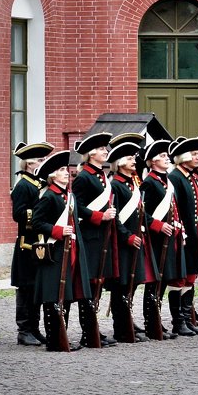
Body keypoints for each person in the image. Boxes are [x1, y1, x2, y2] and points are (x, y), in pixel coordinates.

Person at [31, 150, 83, 352]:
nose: (66, 173)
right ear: (52, 175)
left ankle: (62, 336)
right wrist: (59, 230)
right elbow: (36, 223)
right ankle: (54, 340)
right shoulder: (50, 196)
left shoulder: (68, 196)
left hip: (68, 251)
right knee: (54, 296)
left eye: (66, 169)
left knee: (66, 296)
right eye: (61, 170)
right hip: (54, 251)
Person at [70, 131, 117, 348]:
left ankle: (93, 329)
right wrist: (100, 216)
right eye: (101, 149)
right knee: (90, 283)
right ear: (91, 153)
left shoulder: (100, 176)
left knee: (99, 282)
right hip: (90, 237)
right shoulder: (84, 178)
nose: (105, 151)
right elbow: (76, 207)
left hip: (102, 237)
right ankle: (88, 332)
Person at [168, 136, 198, 334]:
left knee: (191, 276)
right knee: (180, 277)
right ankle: (178, 323)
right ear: (184, 156)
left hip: (196, 233)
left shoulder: (191, 176)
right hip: (184, 233)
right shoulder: (176, 177)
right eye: (195, 154)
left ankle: (187, 319)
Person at [10, 141, 52, 347]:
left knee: (37, 287)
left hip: (41, 242)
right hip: (27, 244)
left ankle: (35, 328)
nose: (42, 163)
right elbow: (18, 214)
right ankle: (24, 330)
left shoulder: (40, 184)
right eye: (40, 159)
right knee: (26, 287)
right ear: (29, 163)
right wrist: (39, 214)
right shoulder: (23, 185)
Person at [140, 139, 182, 339]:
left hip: (169, 238)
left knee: (163, 281)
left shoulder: (167, 181)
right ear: (153, 161)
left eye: (167, 156)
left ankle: (157, 322)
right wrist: (158, 225)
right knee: (154, 282)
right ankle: (151, 323)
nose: (167, 159)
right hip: (156, 240)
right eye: (163, 156)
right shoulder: (149, 182)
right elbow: (143, 213)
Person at [109, 140, 147, 343]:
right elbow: (114, 218)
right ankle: (120, 327)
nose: (134, 161)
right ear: (121, 162)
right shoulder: (115, 185)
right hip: (124, 243)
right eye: (130, 158)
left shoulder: (133, 182)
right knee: (121, 286)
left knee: (131, 285)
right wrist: (127, 236)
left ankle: (127, 320)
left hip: (136, 240)